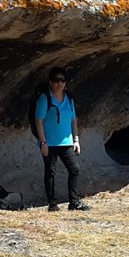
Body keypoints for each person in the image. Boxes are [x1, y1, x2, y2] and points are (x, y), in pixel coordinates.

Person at [34, 68, 91, 211]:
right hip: (50, 143)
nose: (59, 83)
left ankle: (74, 202)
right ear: (50, 82)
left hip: (66, 142)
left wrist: (76, 139)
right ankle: (52, 204)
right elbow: (38, 121)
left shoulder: (69, 98)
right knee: (50, 172)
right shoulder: (44, 98)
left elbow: (73, 120)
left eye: (62, 80)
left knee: (75, 169)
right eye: (56, 80)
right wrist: (43, 142)